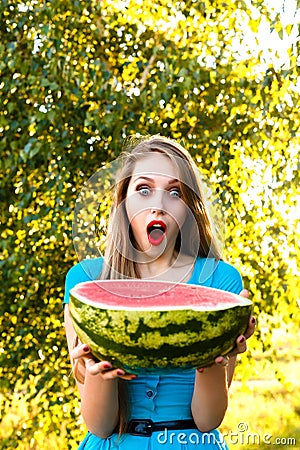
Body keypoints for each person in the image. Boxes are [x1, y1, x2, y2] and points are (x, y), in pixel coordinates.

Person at [63, 135, 255, 449]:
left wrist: (214, 355)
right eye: (143, 189)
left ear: (189, 207)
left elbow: (207, 420)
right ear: (123, 201)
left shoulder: (222, 280)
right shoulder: (86, 281)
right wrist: (97, 370)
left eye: (174, 192)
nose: (158, 205)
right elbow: (99, 425)